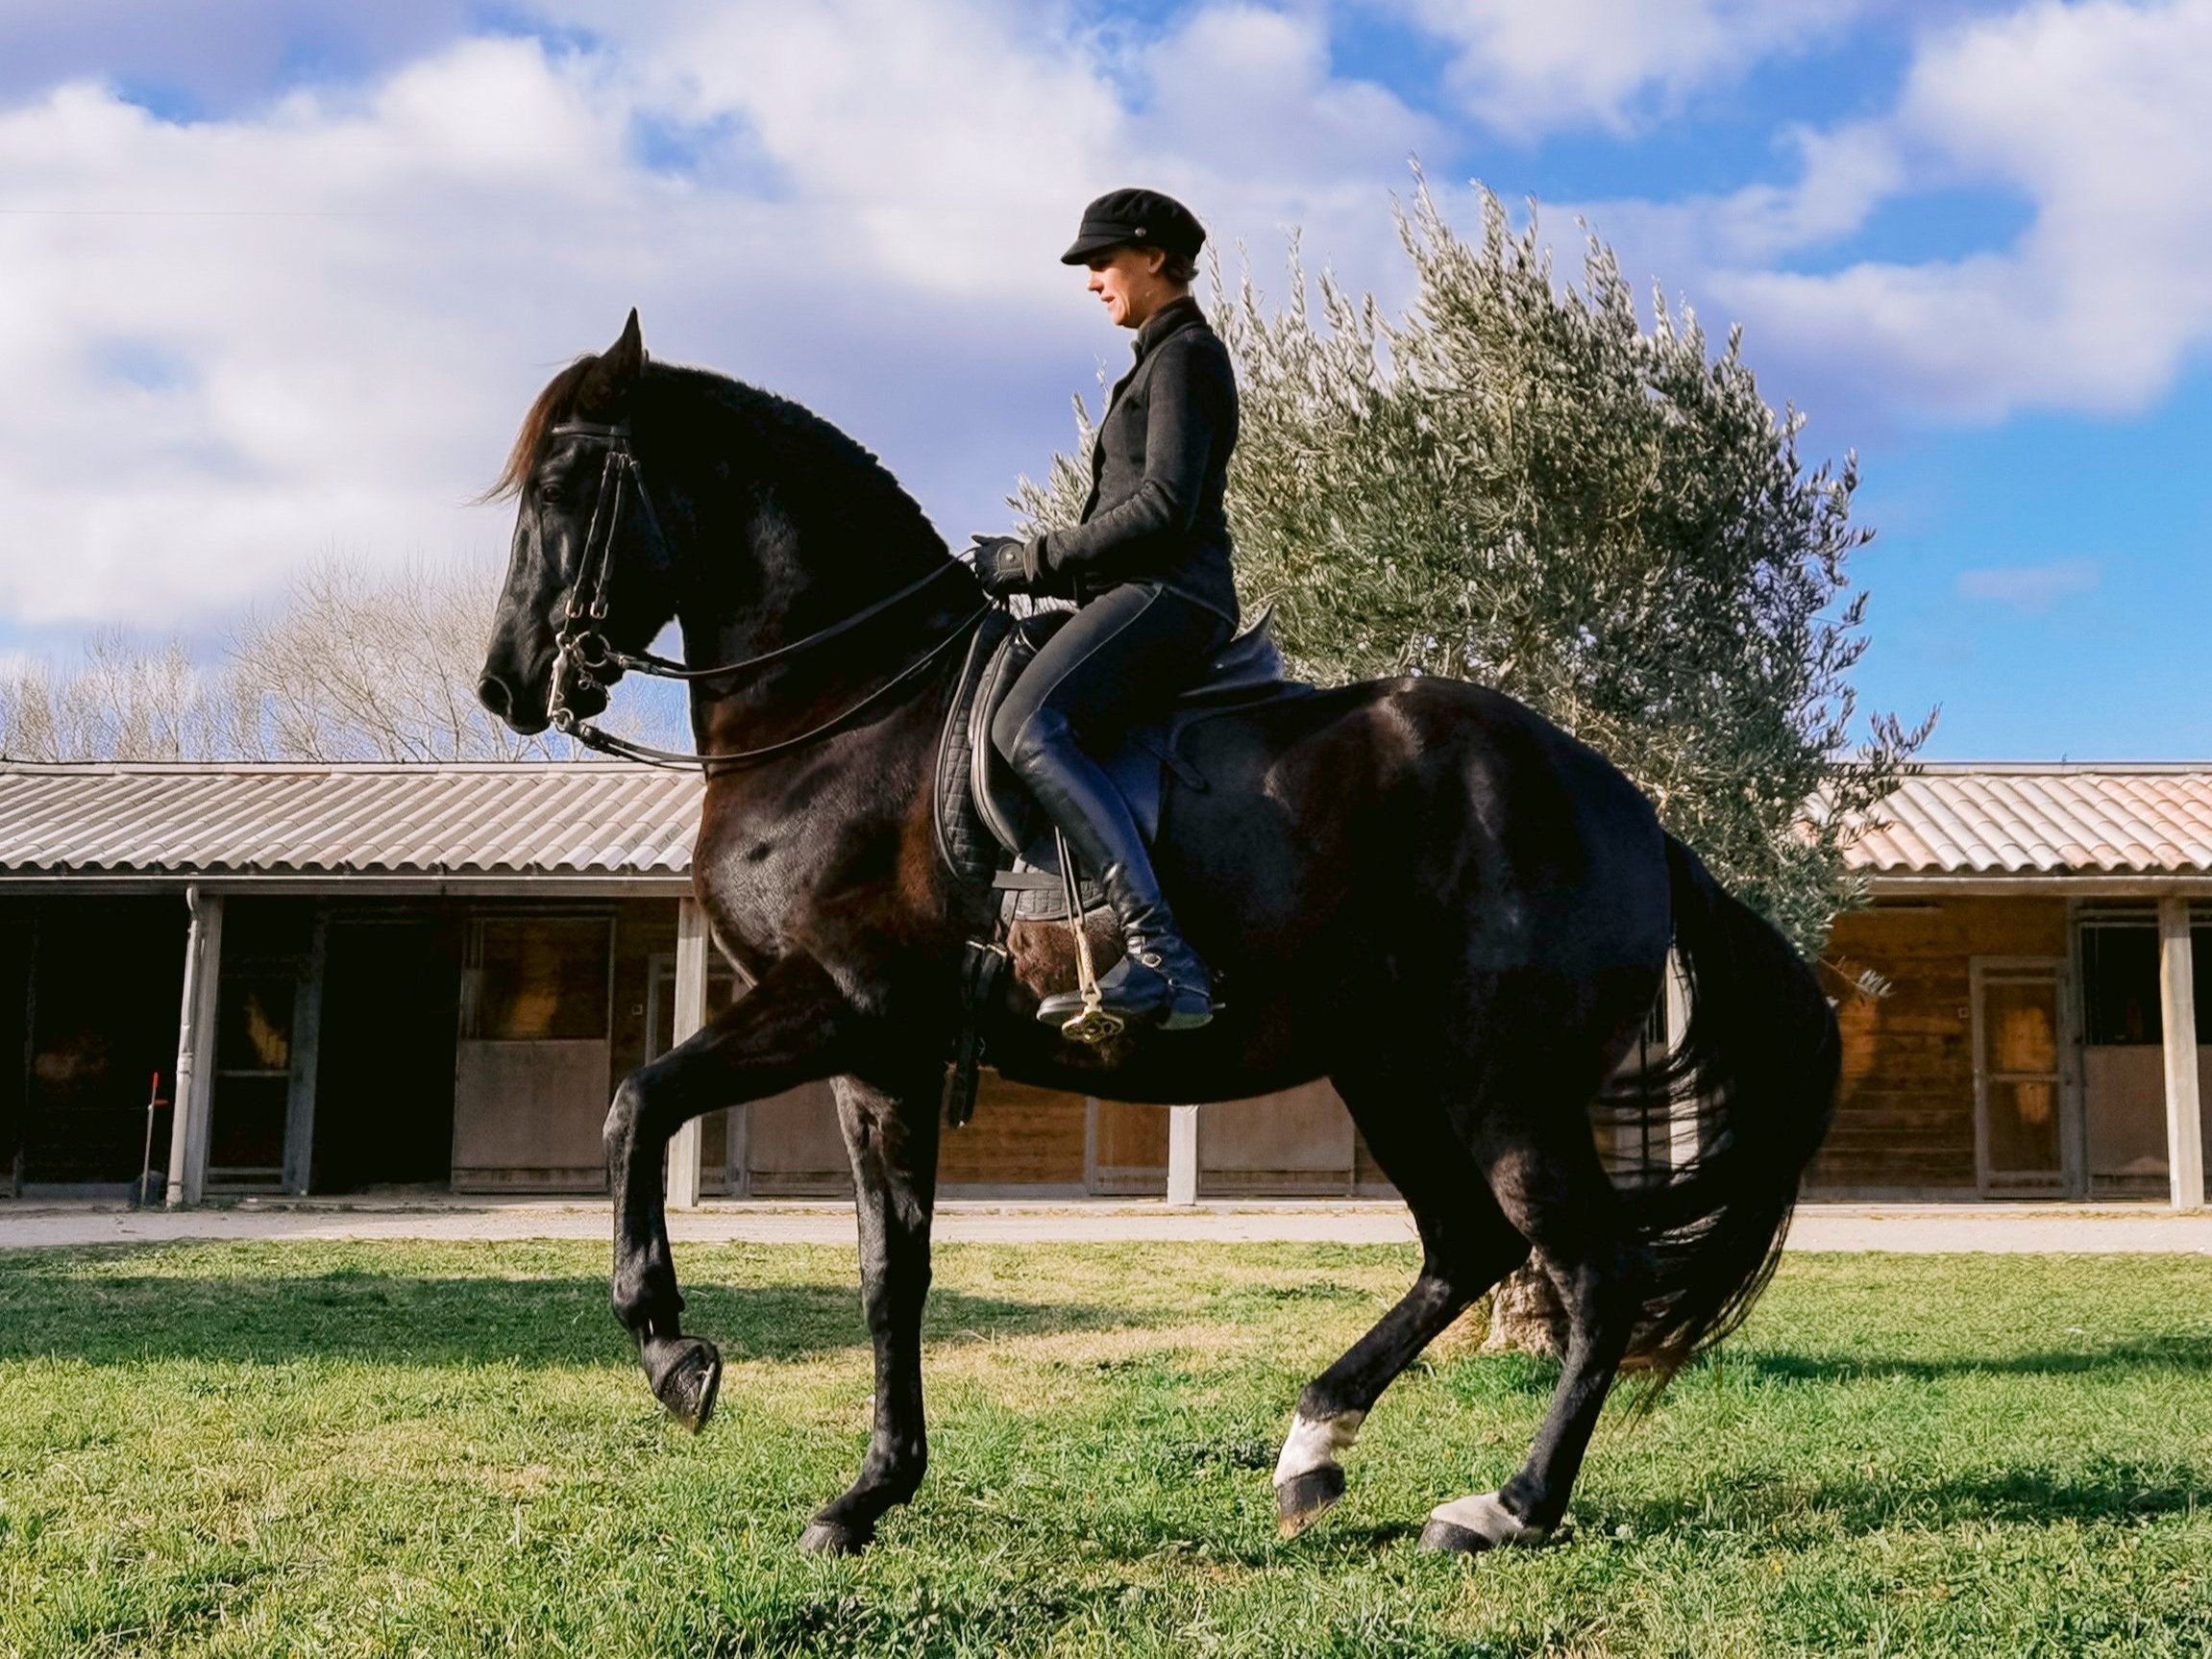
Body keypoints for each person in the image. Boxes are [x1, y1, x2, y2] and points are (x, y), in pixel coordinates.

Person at [971, 186, 1241, 1032]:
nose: (1092, 280)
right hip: (1139, 591)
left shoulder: (1188, 356)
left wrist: (1035, 558)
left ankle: (1160, 952)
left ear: (1155, 258)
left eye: (1102, 260)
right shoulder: (1157, 358)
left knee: (1027, 725)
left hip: (1174, 595)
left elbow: (1163, 506)